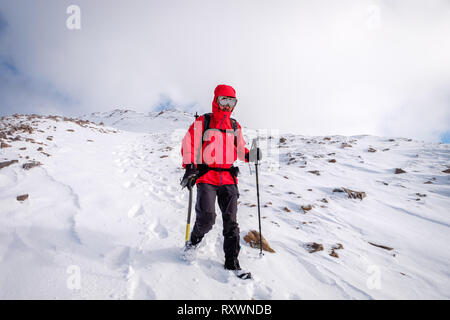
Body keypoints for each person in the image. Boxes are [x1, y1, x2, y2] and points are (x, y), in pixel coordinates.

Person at [180, 84, 261, 277]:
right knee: (207, 218)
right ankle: (194, 241)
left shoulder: (234, 125)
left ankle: (232, 263)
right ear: (216, 100)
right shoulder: (203, 121)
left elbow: (240, 150)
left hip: (228, 177)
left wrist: (250, 156)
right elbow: (188, 144)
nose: (227, 105)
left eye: (231, 101)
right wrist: (190, 166)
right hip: (206, 176)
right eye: (223, 100)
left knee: (231, 222)